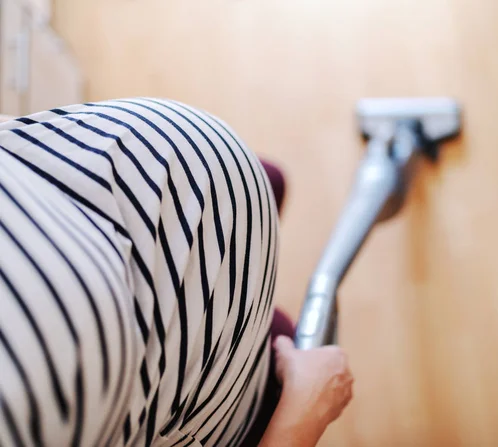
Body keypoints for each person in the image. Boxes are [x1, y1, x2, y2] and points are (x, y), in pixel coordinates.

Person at [0, 99, 353, 446]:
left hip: (90, 194)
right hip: (164, 391)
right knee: (277, 336)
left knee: (254, 185)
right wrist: (305, 412)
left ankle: (236, 235)